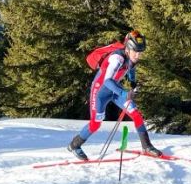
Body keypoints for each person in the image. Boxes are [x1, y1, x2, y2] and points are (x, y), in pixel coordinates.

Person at [67, 30, 162, 160]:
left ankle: (147, 146)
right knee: (96, 124)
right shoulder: (117, 58)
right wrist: (124, 92)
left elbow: (131, 68)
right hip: (100, 92)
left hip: (115, 90)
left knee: (136, 114)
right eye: (136, 52)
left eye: (140, 52)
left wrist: (133, 83)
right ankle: (74, 145)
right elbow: (107, 80)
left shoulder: (132, 57)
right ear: (128, 49)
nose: (138, 55)